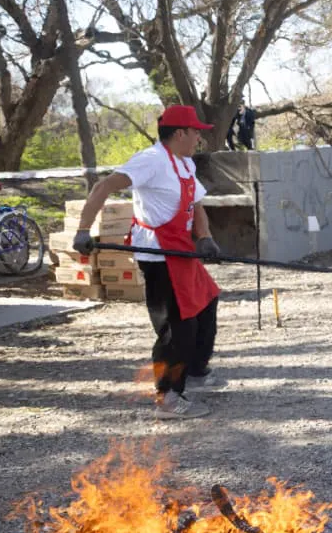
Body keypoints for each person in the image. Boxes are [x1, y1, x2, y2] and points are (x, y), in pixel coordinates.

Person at [72, 105, 224, 420]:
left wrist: (205, 237)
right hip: (157, 253)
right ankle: (168, 395)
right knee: (177, 327)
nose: (198, 137)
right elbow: (104, 187)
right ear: (180, 133)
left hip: (182, 249)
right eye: (195, 131)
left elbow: (196, 204)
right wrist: (84, 229)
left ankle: (195, 370)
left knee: (207, 301)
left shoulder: (185, 165)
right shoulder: (151, 160)